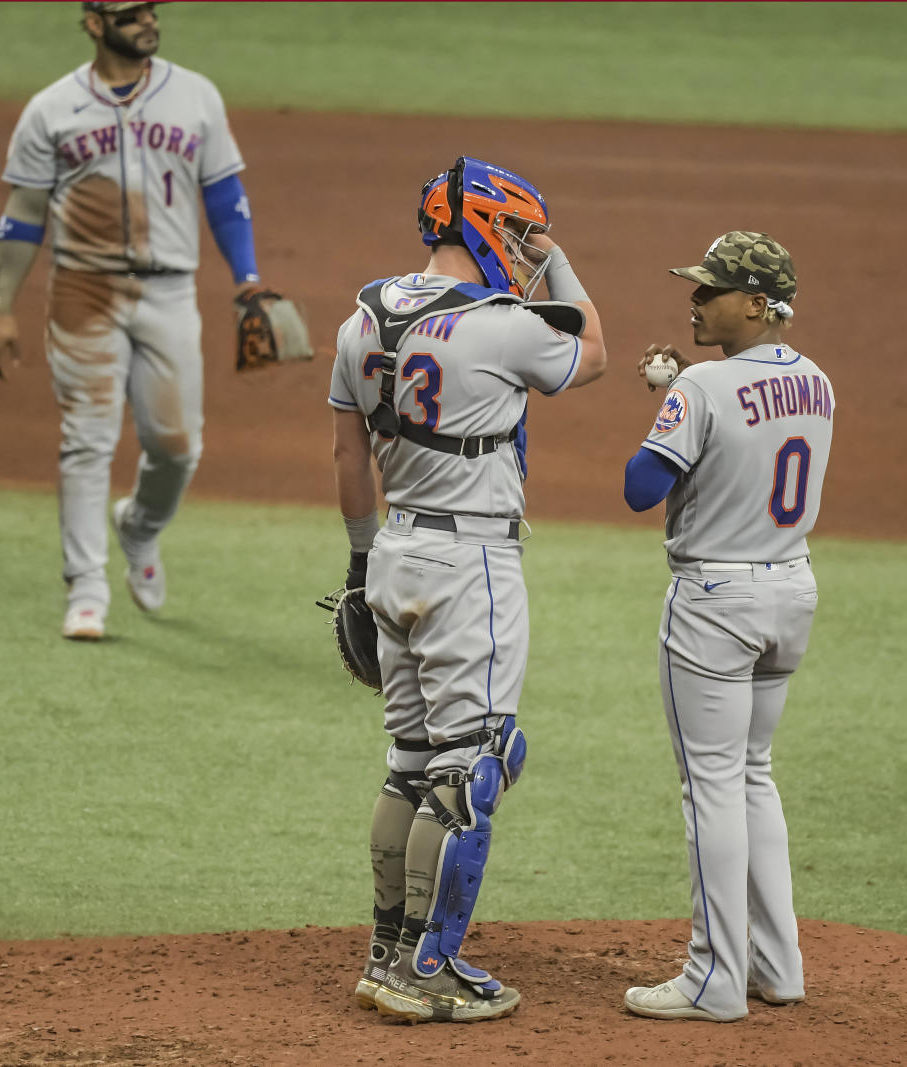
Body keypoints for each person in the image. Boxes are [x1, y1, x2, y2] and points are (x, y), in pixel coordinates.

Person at [329, 156, 607, 1023]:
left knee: (410, 765)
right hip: (471, 567)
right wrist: (559, 260)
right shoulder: (501, 324)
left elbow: (347, 455)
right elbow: (594, 351)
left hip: (395, 553)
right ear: (485, 227)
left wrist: (358, 564)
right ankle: (428, 967)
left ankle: (385, 954)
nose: (525, 254)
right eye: (519, 234)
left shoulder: (362, 317)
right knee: (474, 767)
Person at [0, 2, 271, 640]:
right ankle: (85, 589)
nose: (146, 19)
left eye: (150, 9)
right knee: (87, 438)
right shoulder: (51, 109)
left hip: (170, 292)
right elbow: (25, 212)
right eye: (129, 11)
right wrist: (2, 305)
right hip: (83, 290)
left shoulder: (194, 95)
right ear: (92, 21)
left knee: (176, 446)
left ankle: (138, 528)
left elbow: (225, 196)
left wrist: (247, 277)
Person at [622, 232, 834, 1022]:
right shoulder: (818, 383)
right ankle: (778, 965)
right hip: (791, 589)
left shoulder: (703, 388)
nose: (696, 299)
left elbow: (641, 488)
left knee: (710, 784)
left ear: (757, 303)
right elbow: (755, 438)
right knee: (752, 773)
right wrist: (687, 391)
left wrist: (673, 400)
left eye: (712, 290)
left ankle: (714, 975)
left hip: (716, 601)